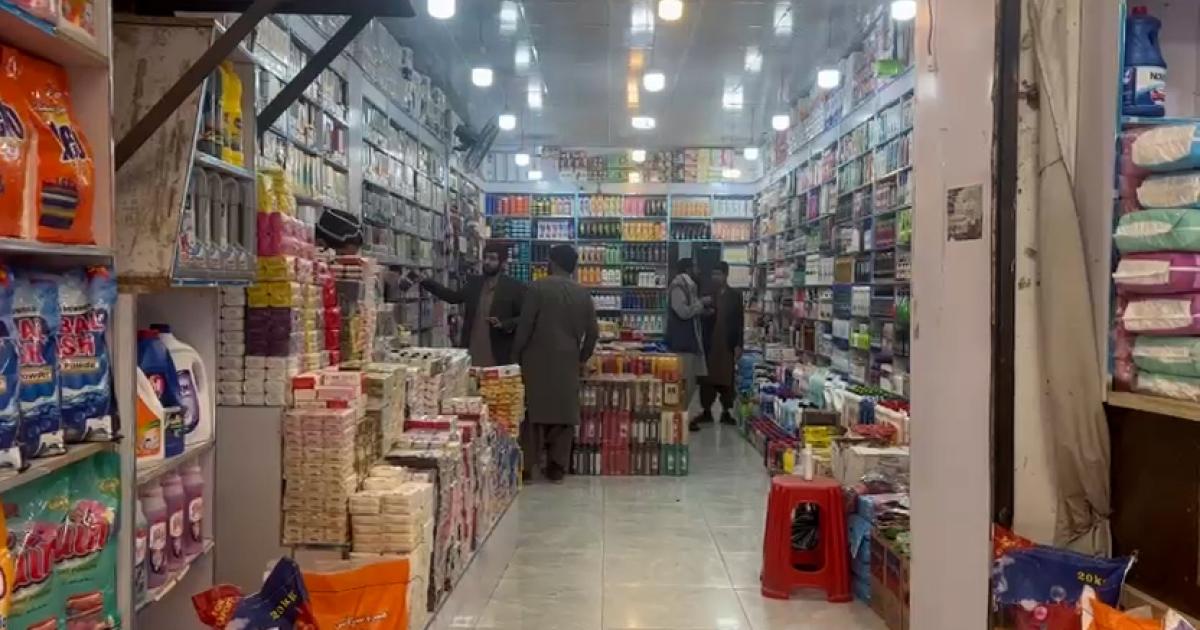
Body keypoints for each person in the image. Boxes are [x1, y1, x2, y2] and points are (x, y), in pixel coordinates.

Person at [512, 244, 599, 483]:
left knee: (533, 414)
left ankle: (528, 466)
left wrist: (514, 356)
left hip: (535, 360)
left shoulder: (536, 288)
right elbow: (593, 333)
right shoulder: (583, 294)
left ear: (552, 262)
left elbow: (525, 327)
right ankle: (557, 466)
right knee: (564, 414)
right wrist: (581, 358)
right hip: (568, 361)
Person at [418, 243, 527, 366]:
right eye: (485, 257)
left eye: (492, 259)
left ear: (503, 263)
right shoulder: (474, 283)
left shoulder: (514, 287)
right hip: (471, 350)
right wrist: (426, 282)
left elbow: (525, 317)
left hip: (499, 352)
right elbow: (453, 297)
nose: (487, 262)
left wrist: (505, 324)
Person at [665, 258, 712, 432]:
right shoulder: (678, 287)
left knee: (691, 382)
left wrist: (702, 311)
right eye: (695, 267)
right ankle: (679, 418)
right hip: (682, 343)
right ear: (687, 269)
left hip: (691, 342)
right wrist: (701, 304)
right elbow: (683, 312)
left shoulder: (689, 287)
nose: (698, 270)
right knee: (684, 382)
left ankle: (682, 415)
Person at [698, 262, 745, 426]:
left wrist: (739, 344)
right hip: (710, 343)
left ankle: (726, 411)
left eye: (718, 274)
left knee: (727, 378)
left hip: (727, 343)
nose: (715, 277)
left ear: (726, 275)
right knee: (707, 379)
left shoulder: (735, 296)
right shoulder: (707, 295)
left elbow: (739, 322)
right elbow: (700, 317)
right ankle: (706, 411)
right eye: (713, 274)